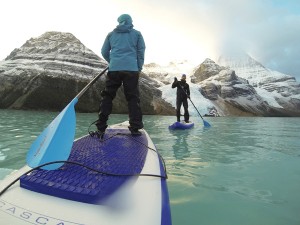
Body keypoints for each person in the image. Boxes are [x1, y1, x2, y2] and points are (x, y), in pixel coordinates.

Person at [95, 14, 146, 138]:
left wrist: (112, 62)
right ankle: (134, 128)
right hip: (131, 70)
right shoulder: (137, 34)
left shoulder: (111, 34)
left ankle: (101, 126)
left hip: (114, 69)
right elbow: (141, 51)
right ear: (130, 21)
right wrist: (138, 67)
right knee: (133, 98)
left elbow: (104, 51)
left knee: (107, 96)